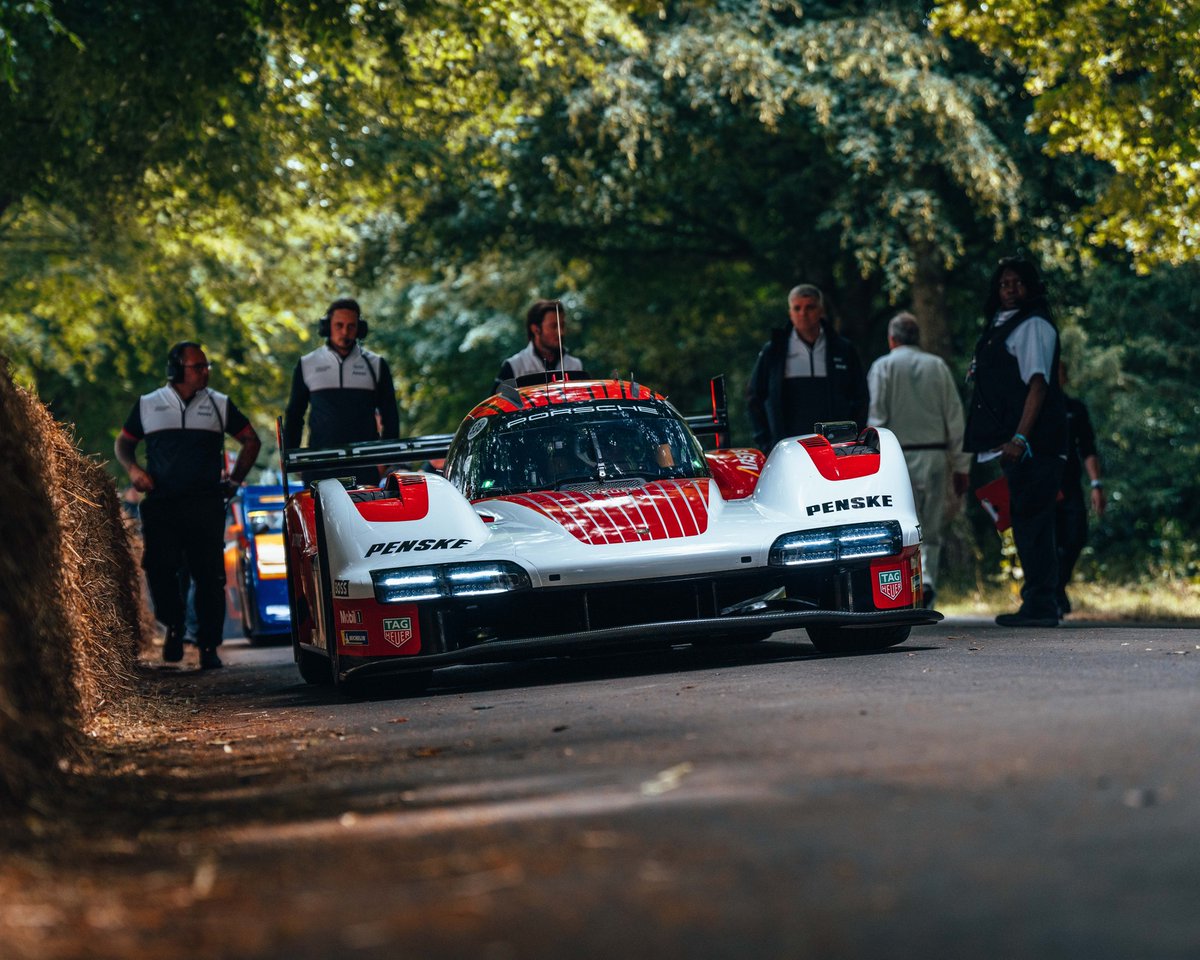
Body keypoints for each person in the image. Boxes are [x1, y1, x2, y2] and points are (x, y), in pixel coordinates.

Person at [115, 342, 261, 668]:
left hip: (205, 503)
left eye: (206, 366)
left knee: (210, 577)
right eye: (198, 367)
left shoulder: (220, 404)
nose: (205, 371)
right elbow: (124, 443)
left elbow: (252, 440)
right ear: (177, 370)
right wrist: (134, 469)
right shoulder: (149, 404)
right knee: (159, 569)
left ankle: (209, 647)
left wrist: (234, 481)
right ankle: (175, 625)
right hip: (163, 504)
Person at [963, 256, 1068, 628]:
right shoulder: (998, 326)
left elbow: (1038, 385)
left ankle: (1041, 604)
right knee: (1024, 520)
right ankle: (1039, 601)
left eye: (1018, 282)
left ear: (1031, 286)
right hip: (1012, 445)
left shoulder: (1034, 325)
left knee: (1034, 521)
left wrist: (1020, 438)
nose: (1010, 289)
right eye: (1004, 283)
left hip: (1034, 444)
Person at [867, 311, 971, 609]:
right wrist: (962, 465)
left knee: (902, 523)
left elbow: (877, 418)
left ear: (891, 339)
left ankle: (905, 585)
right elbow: (955, 418)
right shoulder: (936, 366)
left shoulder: (882, 367)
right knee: (932, 526)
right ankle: (927, 582)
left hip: (897, 457)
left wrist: (874, 463)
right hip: (936, 455)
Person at [283, 298, 399, 484]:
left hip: (364, 464)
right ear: (327, 326)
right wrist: (290, 456)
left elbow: (390, 416)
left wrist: (385, 461)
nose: (345, 332)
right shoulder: (307, 363)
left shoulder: (376, 365)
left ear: (359, 329)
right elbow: (295, 415)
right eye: (339, 325)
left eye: (351, 326)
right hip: (319, 463)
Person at [747, 283, 868, 451]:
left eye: (809, 307)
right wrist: (765, 442)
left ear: (821, 310)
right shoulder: (774, 351)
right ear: (790, 313)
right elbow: (754, 398)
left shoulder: (842, 349)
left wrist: (854, 436)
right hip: (788, 447)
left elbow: (861, 396)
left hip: (836, 447)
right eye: (797, 308)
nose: (803, 314)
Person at [1056, 362, 1106, 616]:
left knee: (1075, 536)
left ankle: (1058, 586)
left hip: (1071, 485)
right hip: (1042, 487)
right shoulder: (1034, 411)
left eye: (1061, 372)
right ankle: (1048, 593)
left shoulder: (1076, 409)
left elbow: (1088, 448)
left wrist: (1096, 484)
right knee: (1047, 542)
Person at [494, 299, 586, 389]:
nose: (561, 332)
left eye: (562, 325)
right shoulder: (514, 366)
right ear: (536, 329)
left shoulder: (575, 365)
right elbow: (497, 403)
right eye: (553, 326)